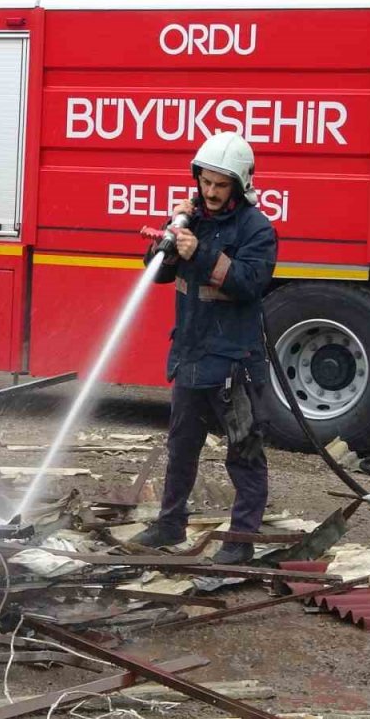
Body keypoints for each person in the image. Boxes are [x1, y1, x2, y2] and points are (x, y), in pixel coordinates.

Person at [132, 132, 278, 566]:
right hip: (192, 355)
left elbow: (251, 283)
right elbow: (155, 275)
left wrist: (200, 252)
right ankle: (170, 523)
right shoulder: (190, 218)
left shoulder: (257, 230)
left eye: (220, 184)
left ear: (240, 183)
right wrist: (167, 240)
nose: (210, 192)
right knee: (181, 447)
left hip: (234, 362)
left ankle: (240, 539)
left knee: (243, 452)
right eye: (205, 182)